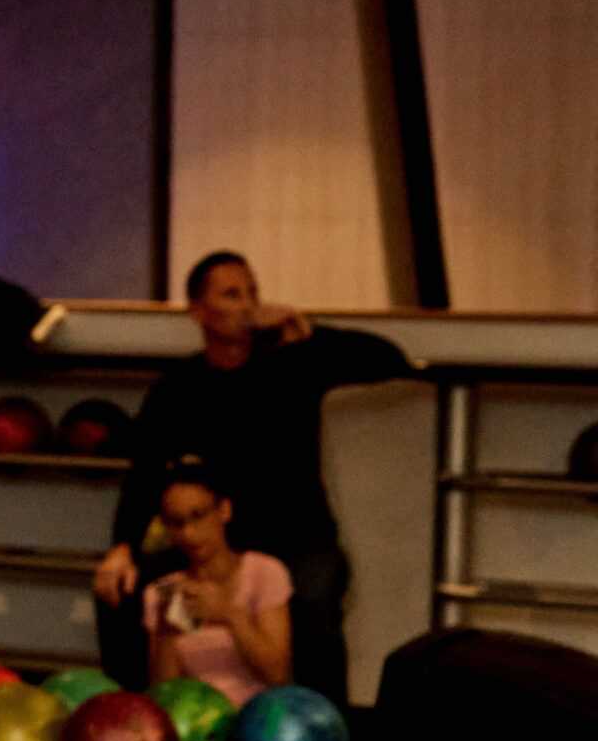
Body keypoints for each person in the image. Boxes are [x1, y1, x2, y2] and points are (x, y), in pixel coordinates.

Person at [91, 251, 409, 703]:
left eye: (252, 293)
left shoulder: (292, 364)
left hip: (298, 538)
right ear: (199, 311)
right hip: (217, 541)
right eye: (231, 294)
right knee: (123, 590)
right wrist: (122, 548)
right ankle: (135, 724)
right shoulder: (178, 387)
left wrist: (309, 332)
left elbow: (388, 358)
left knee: (315, 601)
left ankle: (326, 730)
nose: (246, 305)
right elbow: (144, 475)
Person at [143, 461, 292, 706]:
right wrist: (166, 633)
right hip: (198, 722)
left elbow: (278, 675)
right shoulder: (162, 592)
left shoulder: (264, 572)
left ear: (224, 510)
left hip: (260, 719)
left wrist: (229, 614)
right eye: (176, 522)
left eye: (198, 516)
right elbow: (163, 696)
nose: (189, 533)